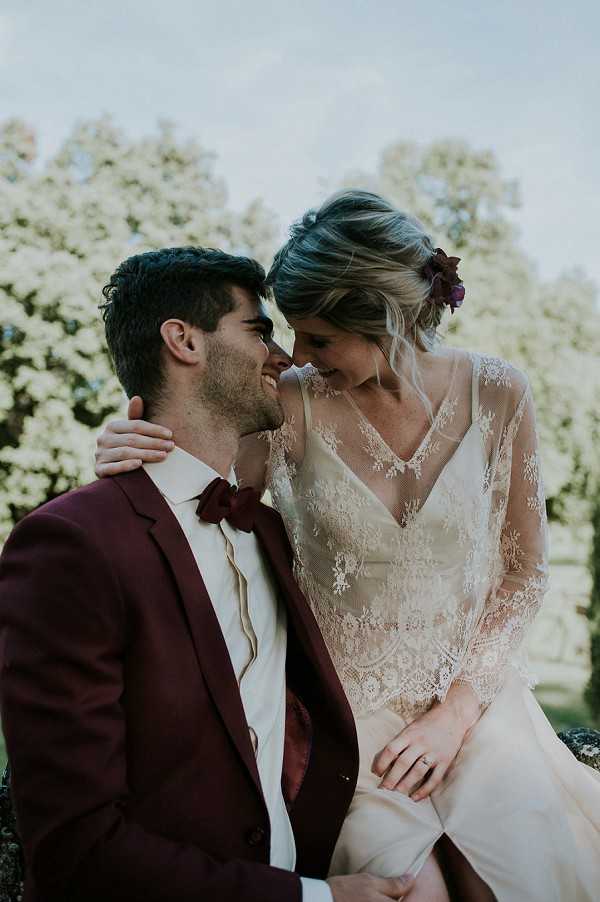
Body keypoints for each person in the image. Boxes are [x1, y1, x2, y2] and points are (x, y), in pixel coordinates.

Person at [97, 192, 600, 901]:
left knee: (512, 881)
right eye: (291, 334)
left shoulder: (499, 394)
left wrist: (456, 714)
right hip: (345, 724)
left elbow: (525, 571)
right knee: (406, 892)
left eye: (319, 339)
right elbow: (207, 502)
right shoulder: (290, 403)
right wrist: (135, 451)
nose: (293, 355)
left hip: (479, 710)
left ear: (386, 322)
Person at [0, 246, 418, 902]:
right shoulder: (70, 547)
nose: (285, 359)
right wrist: (321, 901)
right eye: (259, 331)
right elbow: (76, 850)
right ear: (183, 340)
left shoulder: (272, 531)